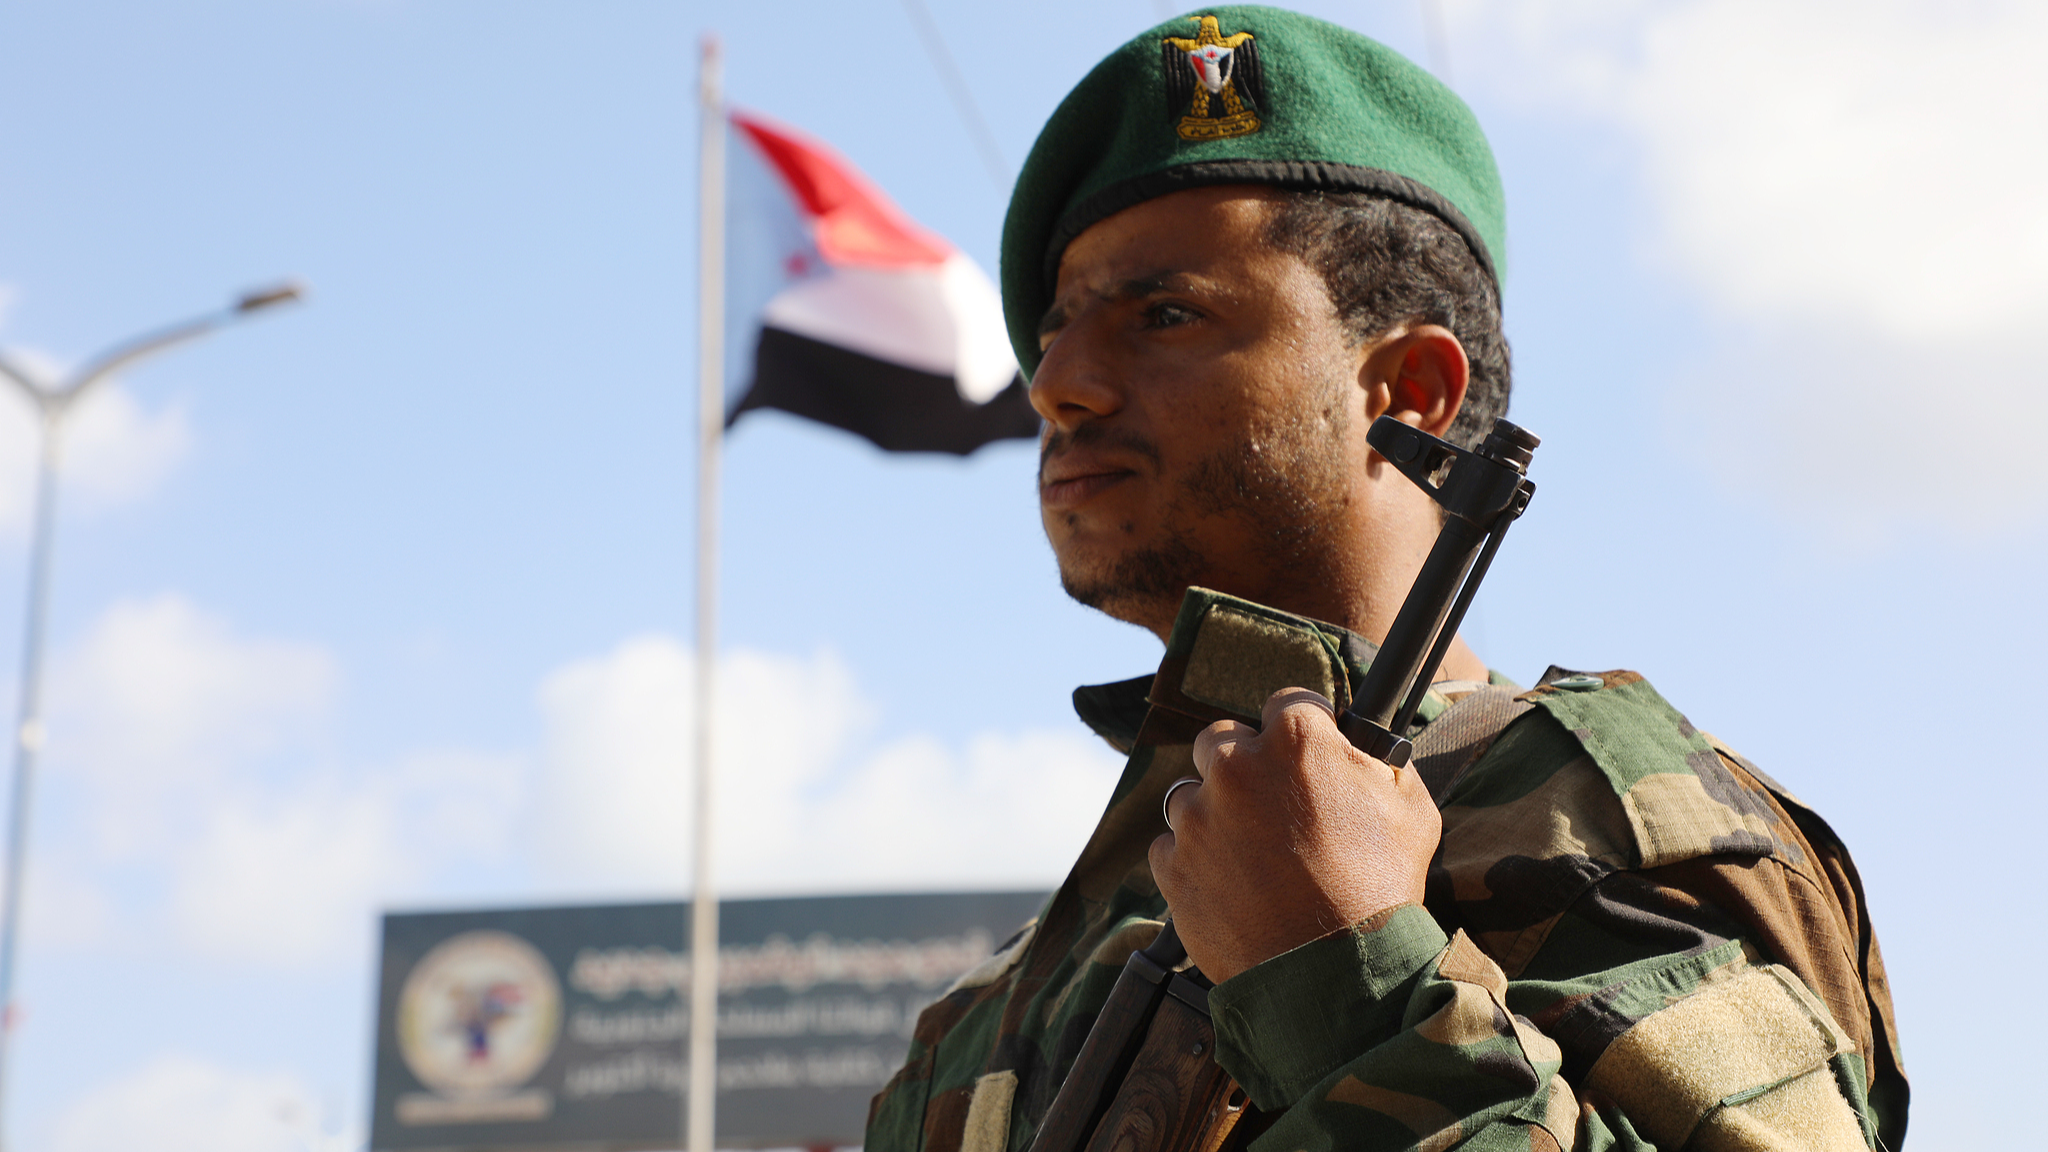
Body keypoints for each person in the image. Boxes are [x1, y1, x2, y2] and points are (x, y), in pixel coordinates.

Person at [866, 7, 1906, 1150]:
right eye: (1055, 329)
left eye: (1163, 314)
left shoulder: (1586, 819)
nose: (1055, 383)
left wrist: (1346, 977)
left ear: (1408, 388)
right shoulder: (983, 1018)